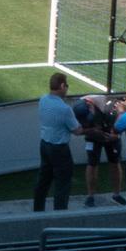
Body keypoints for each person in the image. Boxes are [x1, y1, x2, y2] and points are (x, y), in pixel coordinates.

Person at [33, 72, 77, 212]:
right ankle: (60, 214)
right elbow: (77, 130)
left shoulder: (43, 100)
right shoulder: (65, 109)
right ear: (62, 86)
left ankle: (38, 210)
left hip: (45, 145)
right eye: (66, 85)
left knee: (43, 181)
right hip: (59, 149)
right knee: (62, 184)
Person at [76, 91, 125, 207]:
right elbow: (79, 128)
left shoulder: (111, 108)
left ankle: (116, 194)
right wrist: (90, 130)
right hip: (93, 135)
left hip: (111, 133)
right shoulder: (80, 107)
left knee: (115, 161)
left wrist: (116, 135)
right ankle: (90, 195)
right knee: (92, 163)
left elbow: (122, 119)